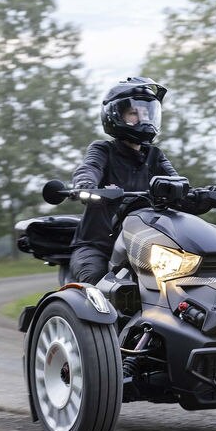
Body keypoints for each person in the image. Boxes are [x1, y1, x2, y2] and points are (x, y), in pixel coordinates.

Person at [68, 76, 182, 284]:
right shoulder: (103, 150)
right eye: (133, 113)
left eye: (147, 112)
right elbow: (89, 167)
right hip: (97, 246)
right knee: (97, 284)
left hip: (143, 245)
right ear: (115, 116)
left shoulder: (154, 156)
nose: (143, 118)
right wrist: (85, 185)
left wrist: (203, 194)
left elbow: (176, 183)